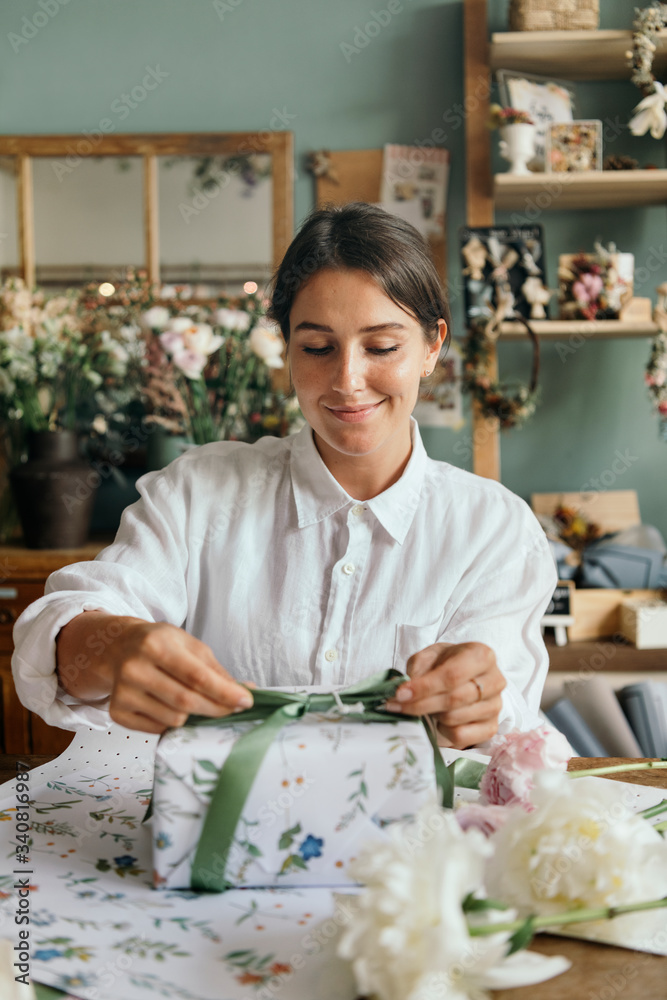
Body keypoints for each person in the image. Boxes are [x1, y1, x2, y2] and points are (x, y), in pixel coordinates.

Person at [12, 203, 556, 749]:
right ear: (285, 348)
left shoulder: (494, 529)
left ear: (432, 347)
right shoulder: (197, 492)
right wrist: (115, 646)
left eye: (382, 347)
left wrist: (478, 701)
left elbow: (503, 713)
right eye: (317, 347)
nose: (348, 380)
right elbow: (60, 630)